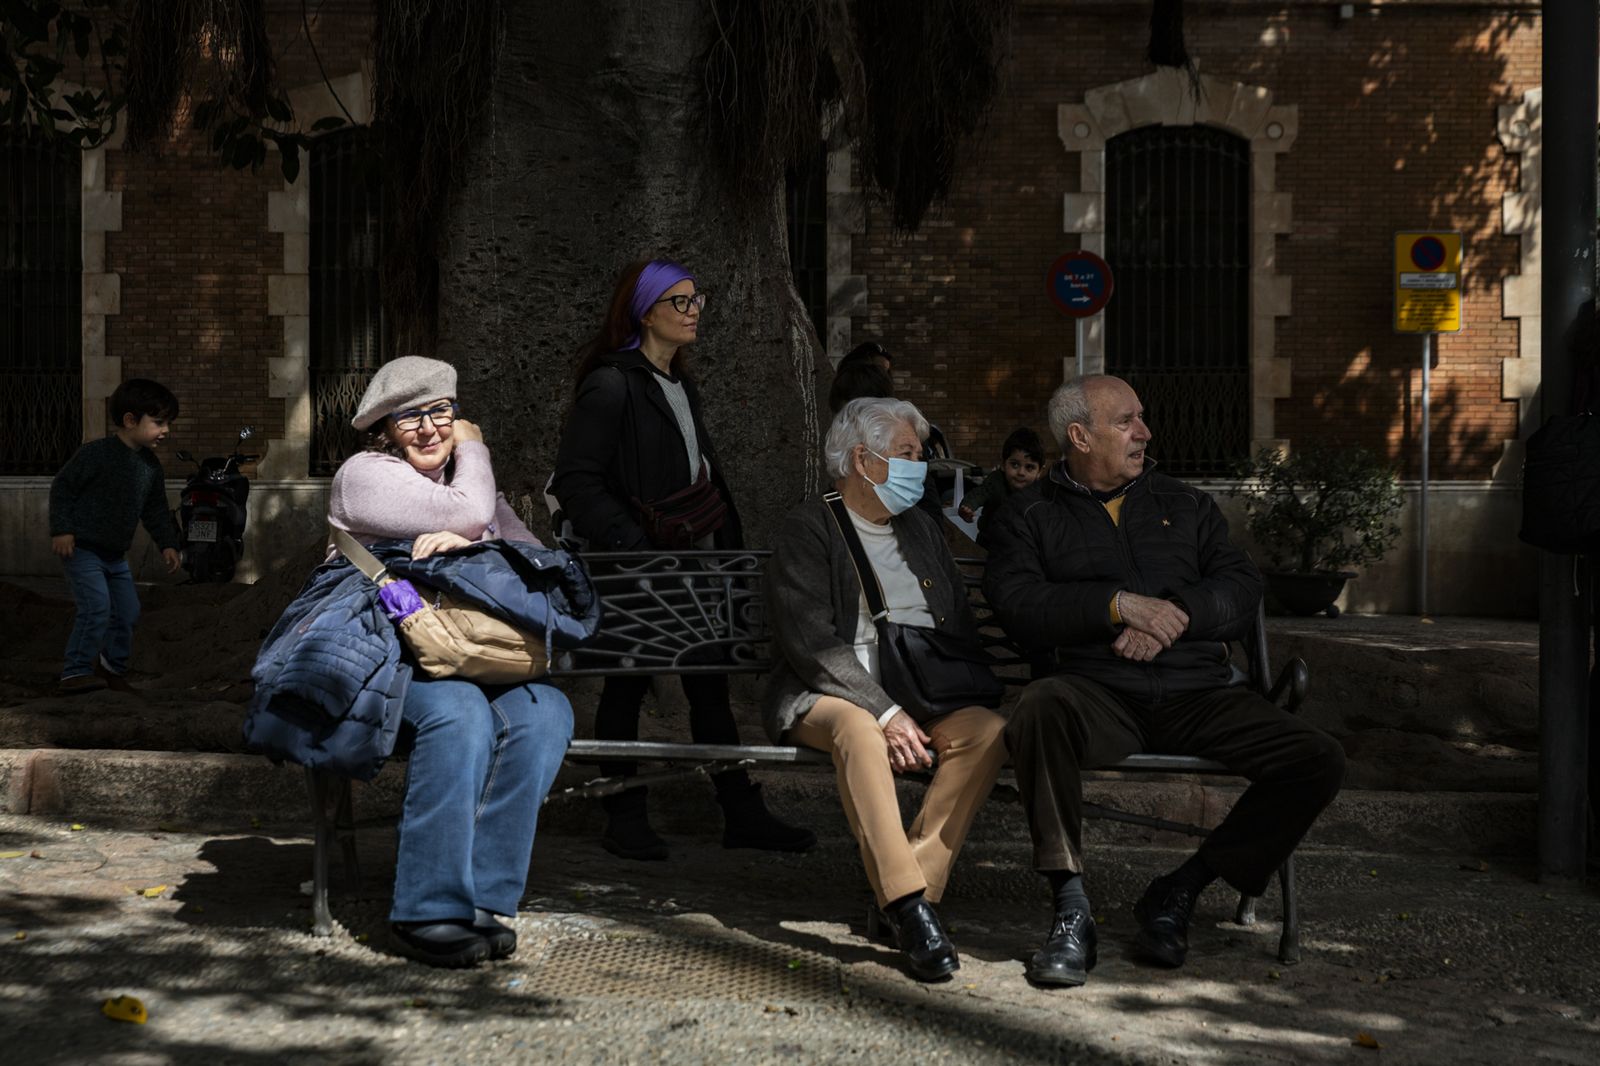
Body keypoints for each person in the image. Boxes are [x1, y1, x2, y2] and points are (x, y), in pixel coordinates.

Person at [982, 374, 1345, 988]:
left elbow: (1240, 586)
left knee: (1317, 758)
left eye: (1141, 418)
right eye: (1125, 421)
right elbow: (1018, 603)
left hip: (1198, 692)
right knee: (1040, 705)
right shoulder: (1027, 513)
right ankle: (1071, 909)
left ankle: (1180, 889)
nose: (1144, 432)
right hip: (1098, 694)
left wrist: (1171, 618)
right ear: (1079, 436)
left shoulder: (1186, 503)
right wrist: (1118, 606)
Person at [551, 257, 815, 861]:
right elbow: (577, 480)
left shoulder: (680, 383)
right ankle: (623, 814)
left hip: (700, 562)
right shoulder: (611, 382)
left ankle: (740, 813)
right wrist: (636, 551)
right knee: (625, 685)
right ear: (645, 311)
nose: (694, 311)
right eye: (680, 301)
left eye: (698, 300)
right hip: (639, 566)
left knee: (710, 688)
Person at [329, 355, 574, 968]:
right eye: (410, 416)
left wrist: (474, 542)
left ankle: (486, 898)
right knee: (459, 715)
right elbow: (467, 511)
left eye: (443, 412)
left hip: (469, 650)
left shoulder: (468, 489)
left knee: (547, 712)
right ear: (384, 429)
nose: (431, 427)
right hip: (383, 657)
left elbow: (534, 558)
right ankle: (426, 909)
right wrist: (475, 453)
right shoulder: (364, 475)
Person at [764, 398, 1008, 982]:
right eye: (906, 454)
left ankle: (910, 892)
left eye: (919, 456)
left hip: (921, 686)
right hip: (827, 693)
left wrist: (931, 699)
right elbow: (809, 643)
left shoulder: (921, 528)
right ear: (861, 460)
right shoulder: (808, 526)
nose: (918, 467)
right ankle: (908, 907)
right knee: (860, 731)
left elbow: (960, 625)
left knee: (987, 733)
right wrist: (887, 711)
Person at [48, 379, 183, 695]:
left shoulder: (150, 467)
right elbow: (63, 488)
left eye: (168, 423)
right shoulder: (96, 454)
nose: (166, 431)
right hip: (82, 549)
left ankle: (111, 671)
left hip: (114, 555)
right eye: (159, 423)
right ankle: (75, 671)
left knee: (127, 612)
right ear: (130, 420)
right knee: (96, 607)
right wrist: (62, 529)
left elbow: (156, 510)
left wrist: (168, 544)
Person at [958, 426, 1045, 538]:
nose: (1021, 472)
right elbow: (979, 494)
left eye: (1029, 467)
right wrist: (968, 507)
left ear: (1039, 472)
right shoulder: (996, 481)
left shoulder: (1039, 492)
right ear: (1003, 464)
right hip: (991, 540)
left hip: (1022, 542)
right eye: (1015, 464)